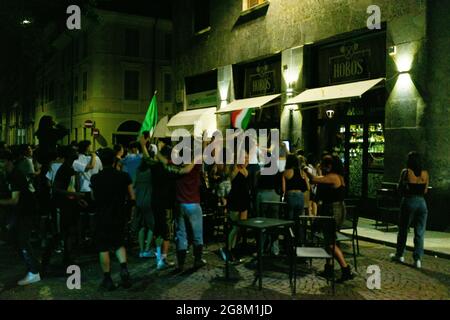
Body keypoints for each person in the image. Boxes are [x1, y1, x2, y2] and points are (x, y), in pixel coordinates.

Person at [91, 148, 135, 291]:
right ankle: (124, 269)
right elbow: (132, 197)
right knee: (119, 243)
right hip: (119, 214)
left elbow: (93, 197)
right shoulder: (124, 176)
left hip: (102, 216)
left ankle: (108, 278)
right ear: (114, 160)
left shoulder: (95, 178)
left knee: (103, 247)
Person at [306, 154, 354, 283]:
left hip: (332, 210)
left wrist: (306, 170)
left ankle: (345, 269)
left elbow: (315, 179)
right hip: (337, 209)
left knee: (330, 242)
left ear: (330, 166)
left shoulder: (333, 177)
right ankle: (329, 267)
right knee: (330, 239)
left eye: (324, 164)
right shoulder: (338, 176)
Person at [42, 146, 86, 271]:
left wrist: (77, 199)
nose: (77, 152)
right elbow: (56, 189)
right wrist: (76, 195)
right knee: (59, 233)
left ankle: (66, 257)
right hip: (60, 205)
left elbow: (69, 188)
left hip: (67, 205)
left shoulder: (69, 168)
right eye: (74, 151)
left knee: (67, 232)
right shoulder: (64, 169)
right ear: (68, 155)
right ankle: (45, 260)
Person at [0, 150, 40, 285]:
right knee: (15, 239)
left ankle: (34, 272)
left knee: (22, 240)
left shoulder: (15, 175)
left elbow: (14, 200)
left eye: (2, 161)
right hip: (20, 212)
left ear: (9, 161)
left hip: (26, 211)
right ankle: (33, 264)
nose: (0, 164)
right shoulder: (9, 174)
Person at [390, 151, 429, 268]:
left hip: (409, 201)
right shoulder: (425, 174)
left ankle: (400, 254)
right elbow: (425, 191)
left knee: (403, 229)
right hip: (422, 203)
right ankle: (417, 260)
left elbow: (400, 187)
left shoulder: (406, 172)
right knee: (420, 232)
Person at [73, 140, 103, 242]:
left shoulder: (76, 160)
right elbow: (100, 171)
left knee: (81, 216)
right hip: (94, 190)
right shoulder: (97, 158)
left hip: (82, 190)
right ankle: (93, 237)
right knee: (92, 215)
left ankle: (80, 238)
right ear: (87, 147)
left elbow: (76, 177)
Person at [223, 153, 251, 262]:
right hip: (235, 201)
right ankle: (229, 249)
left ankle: (235, 249)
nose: (247, 159)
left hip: (244, 201)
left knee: (241, 227)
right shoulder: (234, 169)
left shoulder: (245, 170)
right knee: (235, 226)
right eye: (245, 157)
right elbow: (229, 181)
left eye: (247, 157)